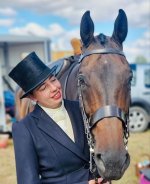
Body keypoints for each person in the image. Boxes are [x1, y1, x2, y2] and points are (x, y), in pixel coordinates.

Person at [9, 52, 105, 184]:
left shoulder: (81, 108)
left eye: (53, 79)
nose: (54, 88)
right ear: (33, 97)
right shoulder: (24, 129)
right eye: (43, 88)